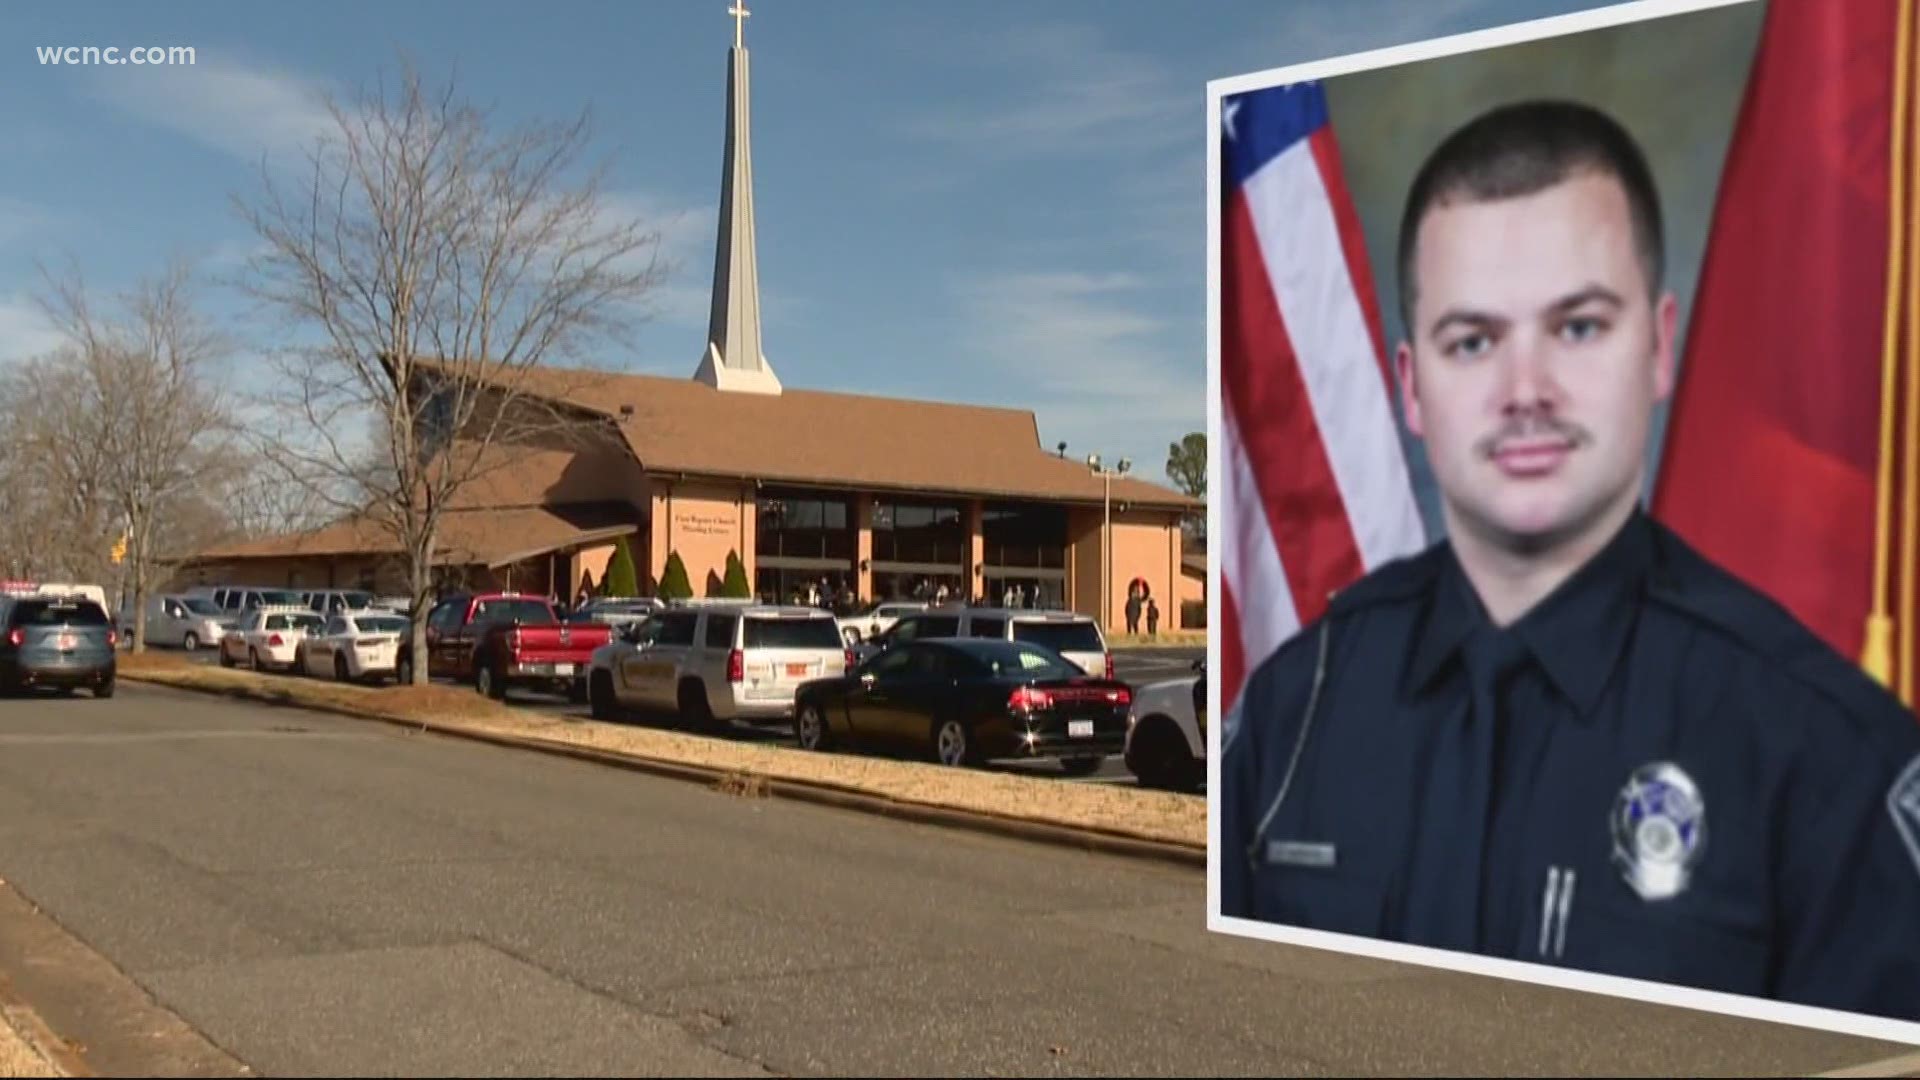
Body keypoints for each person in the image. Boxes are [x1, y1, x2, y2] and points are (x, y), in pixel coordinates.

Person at [1218, 98, 1920, 1021]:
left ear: (1659, 347)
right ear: (1411, 388)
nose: (1525, 392)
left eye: (1578, 326)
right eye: (1473, 341)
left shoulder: (1829, 756)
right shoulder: (1291, 713)